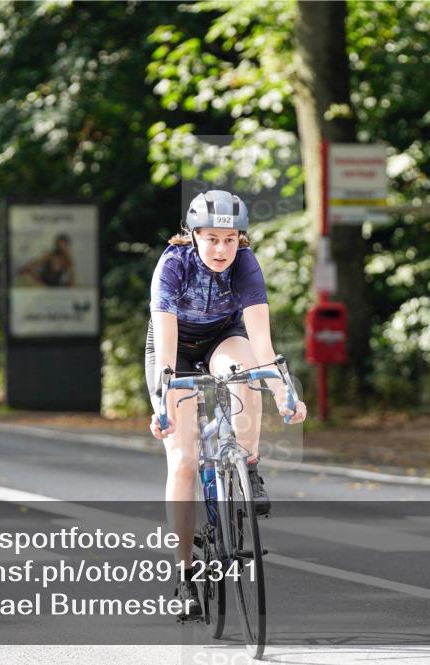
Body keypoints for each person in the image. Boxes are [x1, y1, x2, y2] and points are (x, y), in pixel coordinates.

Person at [146, 190, 308, 620]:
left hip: (224, 337)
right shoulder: (173, 265)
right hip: (174, 349)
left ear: (241, 239)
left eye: (230, 239)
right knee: (182, 461)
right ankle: (184, 574)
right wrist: (163, 402)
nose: (221, 249)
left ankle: (248, 465)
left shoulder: (246, 266)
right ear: (194, 235)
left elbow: (261, 339)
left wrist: (282, 390)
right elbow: (164, 344)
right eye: (212, 238)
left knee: (242, 371)